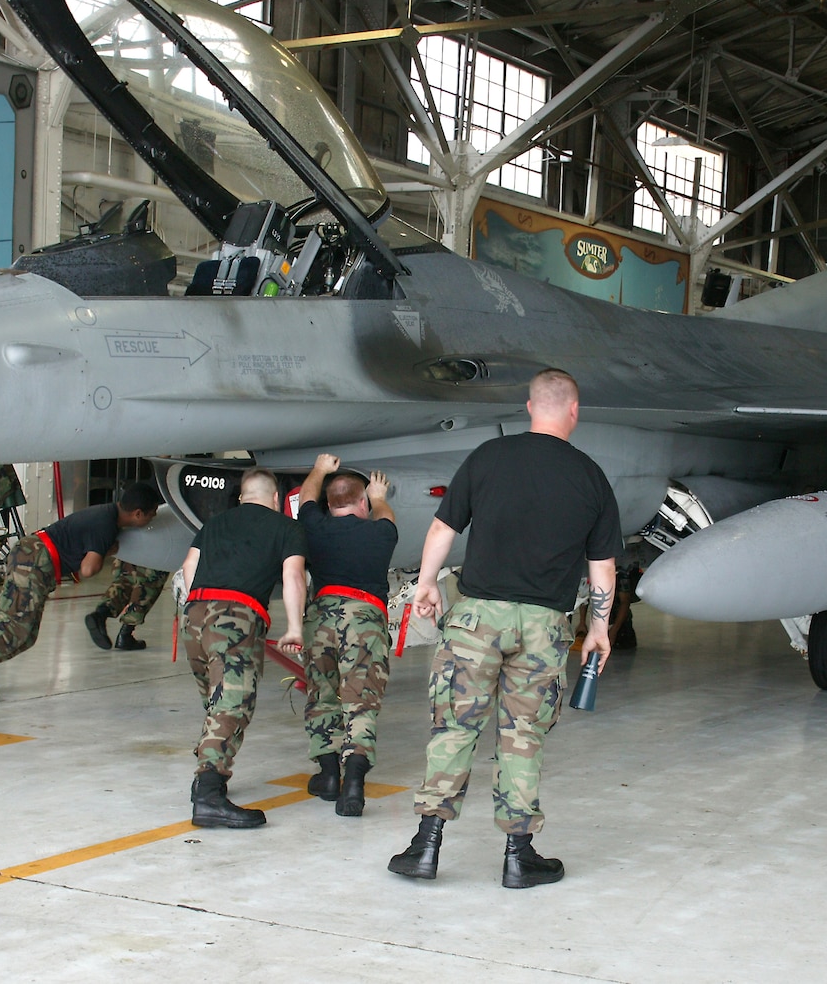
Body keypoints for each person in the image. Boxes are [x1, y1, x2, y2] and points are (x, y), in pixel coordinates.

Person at [388, 368, 621, 890]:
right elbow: (601, 568)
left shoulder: (488, 458)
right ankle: (519, 856)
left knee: (454, 728)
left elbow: (442, 528)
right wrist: (599, 629)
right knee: (523, 736)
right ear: (574, 412)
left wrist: (425, 584)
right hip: (544, 626)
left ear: (529, 406)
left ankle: (426, 847)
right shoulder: (590, 476)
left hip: (477, 619)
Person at [0, 482, 157, 703]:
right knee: (16, 630)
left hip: (32, 558)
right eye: (152, 514)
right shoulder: (107, 525)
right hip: (33, 562)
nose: (153, 518)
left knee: (26, 636)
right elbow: (88, 569)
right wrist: (110, 550)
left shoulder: (106, 514)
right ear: (138, 514)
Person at [177, 469, 307, 829]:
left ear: (241, 498)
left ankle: (203, 778)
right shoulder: (287, 528)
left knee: (216, 702)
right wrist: (294, 626)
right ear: (277, 499)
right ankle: (209, 796)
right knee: (233, 704)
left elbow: (190, 566)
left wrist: (198, 608)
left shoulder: (214, 523)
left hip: (196, 614)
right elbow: (293, 576)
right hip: (235, 617)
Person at [295, 455, 400, 816]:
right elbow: (386, 515)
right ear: (362, 503)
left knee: (321, 694)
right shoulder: (379, 531)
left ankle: (326, 776)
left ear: (328, 505)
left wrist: (320, 469)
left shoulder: (313, 526)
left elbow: (306, 499)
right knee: (361, 700)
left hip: (320, 618)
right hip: (365, 619)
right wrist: (379, 495)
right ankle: (353, 783)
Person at [84, 561, 171, 651]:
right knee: (149, 584)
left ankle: (100, 614)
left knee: (125, 580)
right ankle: (125, 634)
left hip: (127, 554)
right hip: (154, 553)